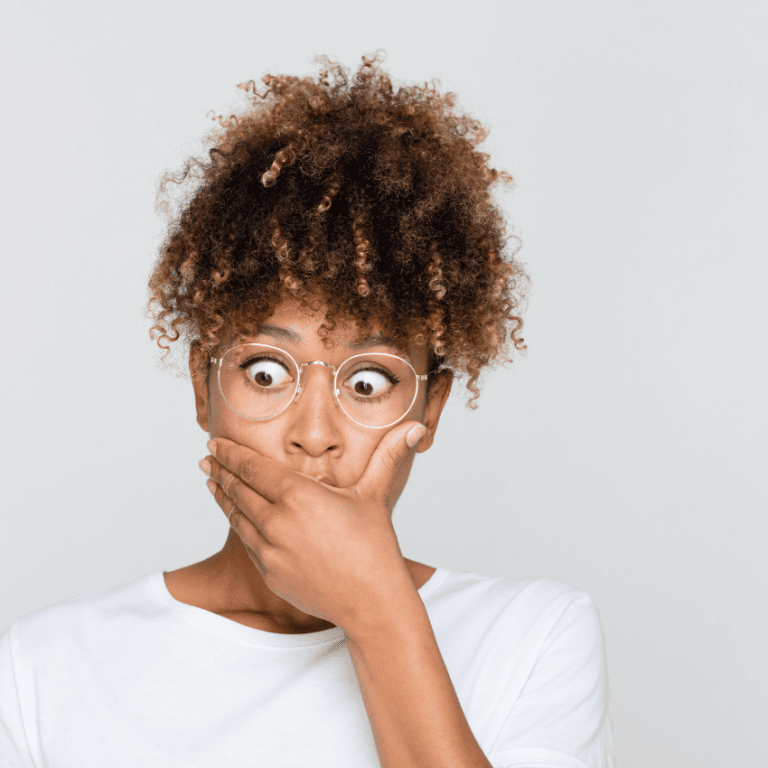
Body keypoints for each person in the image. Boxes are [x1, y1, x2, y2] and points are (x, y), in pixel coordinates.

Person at [0, 52, 615, 767]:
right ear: (203, 385)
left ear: (431, 409)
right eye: (266, 372)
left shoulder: (534, 637)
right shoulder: (45, 668)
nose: (313, 436)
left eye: (367, 384)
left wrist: (375, 609)